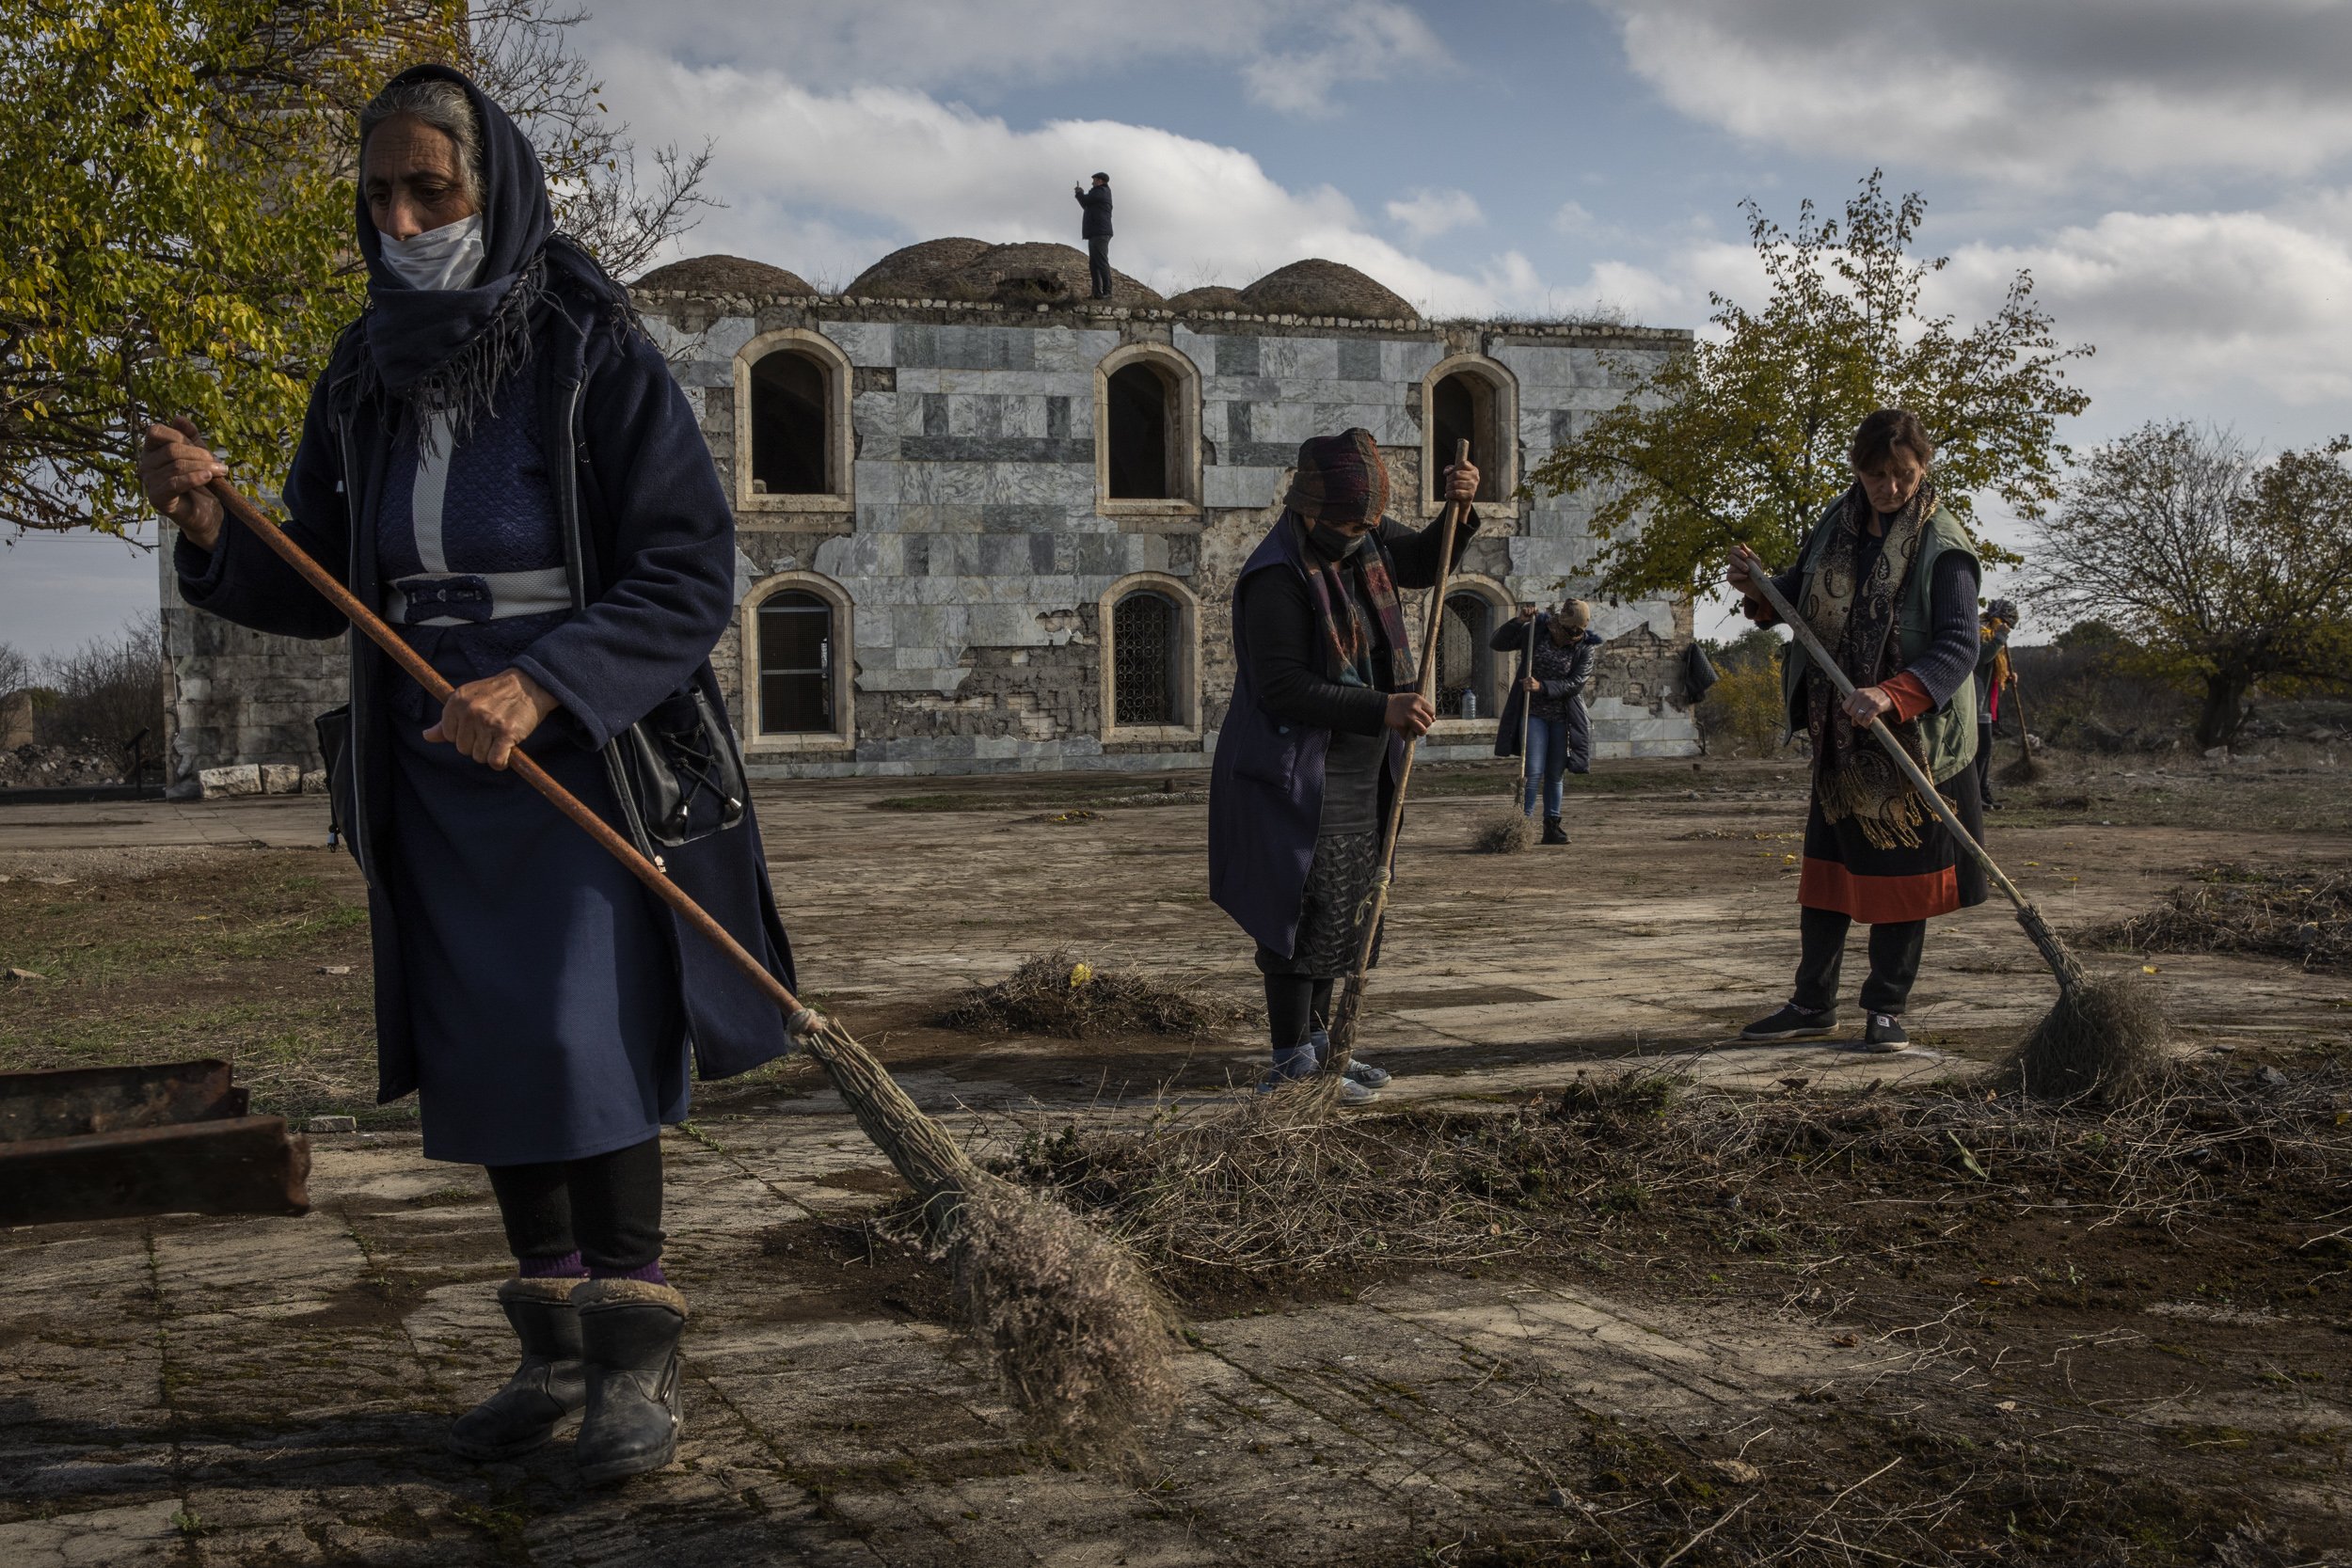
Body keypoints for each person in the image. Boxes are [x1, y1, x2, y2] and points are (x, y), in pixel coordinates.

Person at [136, 65, 798, 1484]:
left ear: (492, 185)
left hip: (576, 751)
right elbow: (324, 575)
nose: (402, 215)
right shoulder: (363, 364)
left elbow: (689, 568)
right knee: (491, 1046)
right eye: (379, 193)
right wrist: (212, 520)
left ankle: (637, 1352)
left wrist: (544, 679)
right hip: (433, 759)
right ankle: (550, 1347)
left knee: (584, 1035)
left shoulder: (587, 344)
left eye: (430, 189)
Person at [1210, 430, 1479, 1103]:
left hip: (1362, 771)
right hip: (1294, 771)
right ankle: (1288, 1059)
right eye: (1353, 524)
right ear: (1311, 508)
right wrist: (1383, 707)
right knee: (1297, 915)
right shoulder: (1277, 577)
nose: (1365, 535)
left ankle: (1324, 1044)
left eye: (1370, 523)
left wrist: (1457, 512)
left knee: (1343, 912)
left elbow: (1422, 560)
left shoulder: (1363, 541)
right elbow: (1284, 688)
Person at [1725, 408, 1986, 1053]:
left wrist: (1892, 695)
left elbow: (1959, 646)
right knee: (1829, 874)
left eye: (1903, 474)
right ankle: (1812, 1002)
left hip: (1915, 740)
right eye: (1877, 475)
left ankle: (1887, 1008)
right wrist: (1759, 588)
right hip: (1840, 735)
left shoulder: (1943, 545)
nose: (1890, 488)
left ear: (1923, 468)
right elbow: (1801, 591)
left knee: (1903, 881)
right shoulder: (1836, 524)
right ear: (1858, 471)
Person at [1490, 596, 1600, 844]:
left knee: (1555, 773)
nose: (1574, 635)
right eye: (1571, 629)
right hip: (1533, 714)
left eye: (1579, 631)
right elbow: (1498, 643)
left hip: (1564, 717)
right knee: (1533, 771)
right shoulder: (1536, 631)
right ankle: (1521, 826)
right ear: (1562, 622)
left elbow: (1576, 683)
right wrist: (1519, 621)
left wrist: (1542, 686)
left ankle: (1552, 826)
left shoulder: (1585, 647)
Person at [1975, 598, 2017, 808]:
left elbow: (1992, 667)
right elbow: (1981, 658)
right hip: (1975, 700)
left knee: (1986, 752)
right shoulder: (1981, 631)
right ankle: (1975, 799)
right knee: (1980, 751)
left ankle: (1984, 794)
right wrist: (2000, 638)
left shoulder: (1993, 633)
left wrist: (2006, 677)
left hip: (1987, 701)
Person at [1074, 172, 1113, 298]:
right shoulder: (1098, 193)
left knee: (1101, 262)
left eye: (1094, 180)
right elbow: (1086, 205)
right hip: (1095, 232)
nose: (1092, 182)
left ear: (1100, 181)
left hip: (1100, 232)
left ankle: (1107, 293)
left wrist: (1080, 193)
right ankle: (1096, 293)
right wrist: (1079, 195)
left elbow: (1086, 200)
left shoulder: (1101, 191)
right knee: (1094, 264)